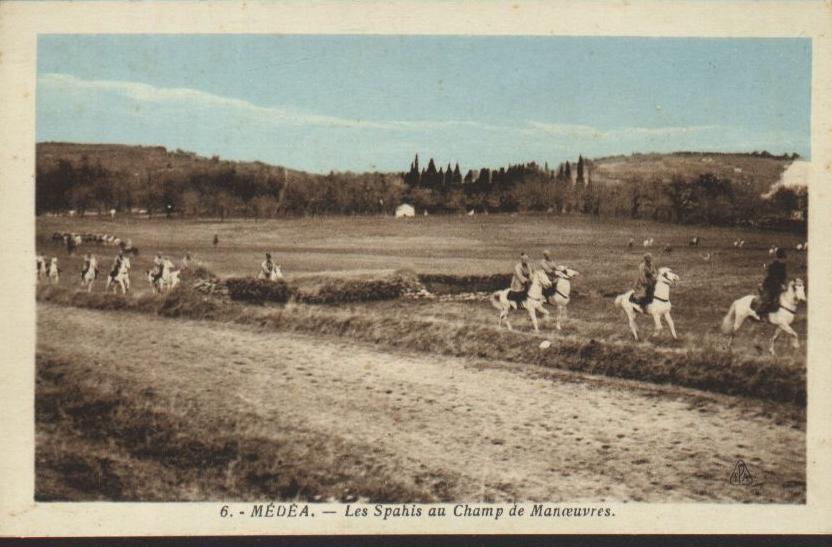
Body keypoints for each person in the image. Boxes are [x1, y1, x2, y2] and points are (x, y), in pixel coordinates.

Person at [755, 248, 787, 315]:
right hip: (770, 285)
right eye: (782, 258)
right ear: (779, 258)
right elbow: (772, 277)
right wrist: (780, 283)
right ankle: (759, 314)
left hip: (778, 286)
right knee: (767, 300)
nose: (784, 260)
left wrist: (783, 283)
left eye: (784, 259)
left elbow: (783, 277)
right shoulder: (773, 266)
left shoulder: (783, 266)